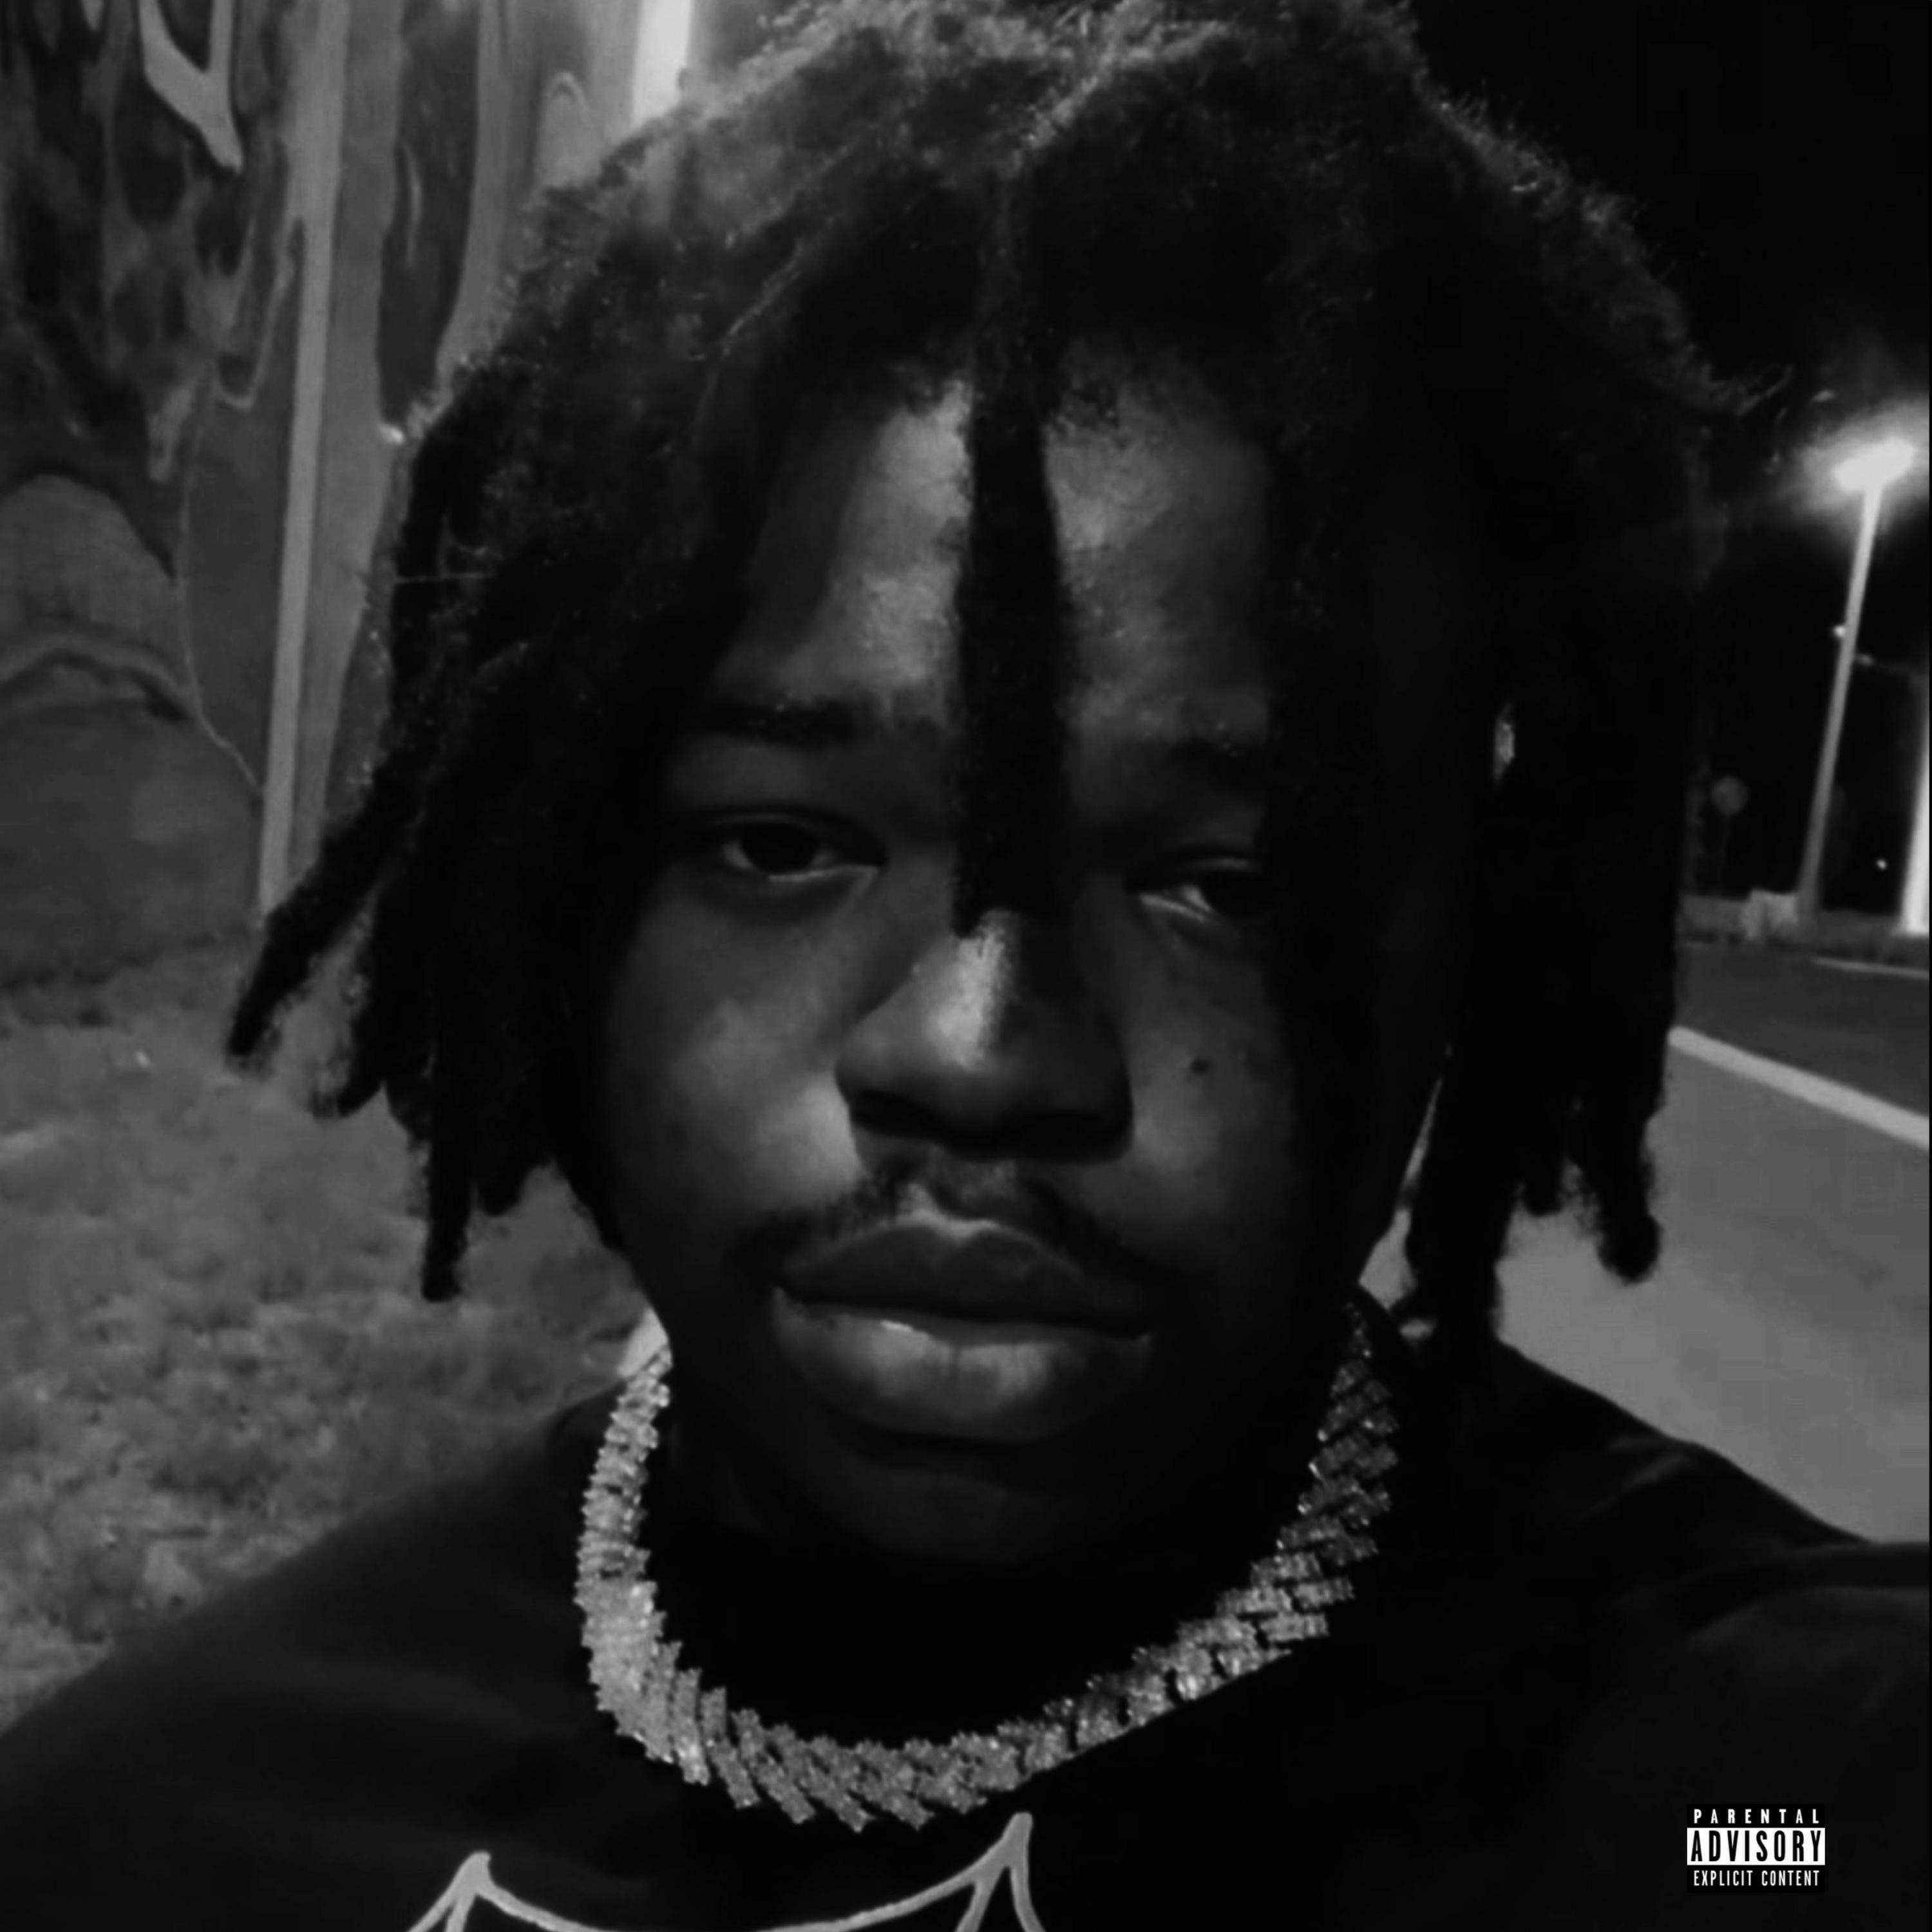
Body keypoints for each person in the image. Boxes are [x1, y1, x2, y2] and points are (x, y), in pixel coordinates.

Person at [1, 3, 1923, 1926]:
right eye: (782, 844)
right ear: (559, 870)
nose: (985, 1054)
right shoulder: (158, 1841)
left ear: (1471, 938)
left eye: (1230, 883)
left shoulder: (1748, 1810)